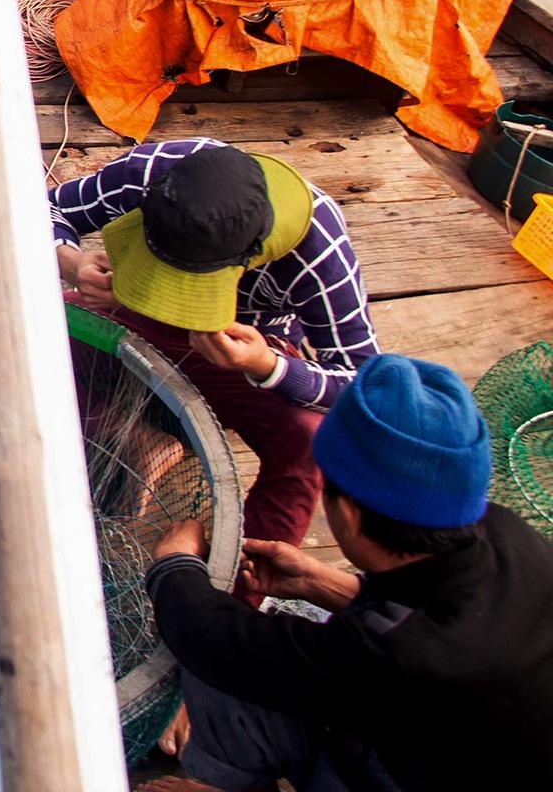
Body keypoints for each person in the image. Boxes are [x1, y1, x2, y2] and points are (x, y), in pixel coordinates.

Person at [141, 353, 553, 791]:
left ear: (349, 516)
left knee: (223, 671)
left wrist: (176, 563)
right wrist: (319, 583)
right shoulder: (507, 533)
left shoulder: (396, 657)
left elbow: (219, 641)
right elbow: (435, 623)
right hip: (452, 734)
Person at [50, 138, 379, 557]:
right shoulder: (152, 170)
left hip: (234, 348)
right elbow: (45, 208)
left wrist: (267, 365)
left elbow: (361, 381)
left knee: (307, 438)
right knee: (16, 326)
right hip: (129, 307)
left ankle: (246, 576)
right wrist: (71, 261)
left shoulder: (318, 249)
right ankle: (131, 435)